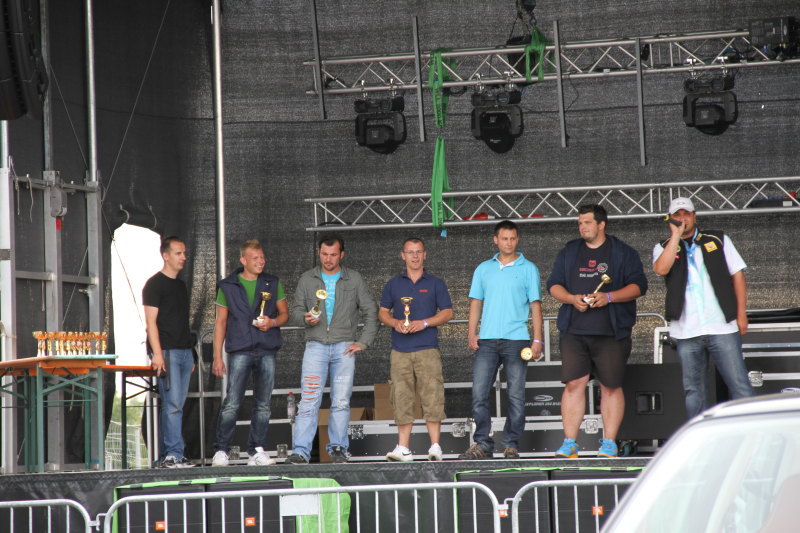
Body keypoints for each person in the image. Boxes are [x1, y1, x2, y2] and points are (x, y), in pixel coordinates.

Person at [547, 204, 648, 458]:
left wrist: (609, 297)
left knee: (611, 386)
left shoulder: (623, 252)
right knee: (574, 384)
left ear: (601, 224)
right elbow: (553, 285)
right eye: (580, 223)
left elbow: (639, 286)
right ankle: (570, 443)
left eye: (587, 223)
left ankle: (609, 443)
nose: (582, 227)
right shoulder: (569, 251)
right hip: (574, 330)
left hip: (611, 333)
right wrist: (572, 299)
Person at [653, 197, 754, 419]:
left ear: (694, 216)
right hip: (687, 330)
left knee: (739, 383)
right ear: (670, 219)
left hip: (722, 326)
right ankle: (700, 434)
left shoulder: (718, 239)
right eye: (677, 215)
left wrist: (741, 313)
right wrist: (676, 236)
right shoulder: (663, 246)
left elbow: (738, 275)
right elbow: (661, 269)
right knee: (694, 390)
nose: (682, 219)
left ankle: (754, 432)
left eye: (686, 214)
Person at [286, 234, 378, 464]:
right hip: (315, 346)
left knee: (341, 401)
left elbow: (371, 311)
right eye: (325, 254)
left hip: (344, 347)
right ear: (319, 253)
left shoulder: (354, 278)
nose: (328, 259)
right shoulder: (307, 278)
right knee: (308, 400)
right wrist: (305, 318)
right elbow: (295, 311)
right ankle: (300, 451)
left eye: (333, 255)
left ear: (342, 255)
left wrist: (363, 342)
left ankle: (338, 449)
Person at [459, 220, 544, 460]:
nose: (509, 243)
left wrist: (538, 340)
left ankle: (511, 445)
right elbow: (476, 302)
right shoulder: (483, 268)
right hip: (486, 340)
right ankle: (483, 444)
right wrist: (471, 333)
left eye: (513, 238)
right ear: (495, 240)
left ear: (517, 240)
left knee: (515, 395)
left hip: (517, 340)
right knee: (479, 393)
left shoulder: (529, 268)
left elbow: (536, 306)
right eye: (504, 238)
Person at [211, 240, 289, 466]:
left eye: (262, 257)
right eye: (255, 258)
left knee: (263, 404)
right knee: (232, 402)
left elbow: (285, 314)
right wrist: (217, 356)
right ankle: (221, 450)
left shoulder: (273, 282)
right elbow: (220, 322)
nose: (261, 261)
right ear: (243, 260)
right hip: (240, 350)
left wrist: (272, 322)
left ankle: (256, 450)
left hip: (267, 349)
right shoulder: (227, 285)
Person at [379, 237, 453, 462]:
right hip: (399, 350)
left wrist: (425, 323)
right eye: (410, 252)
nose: (414, 256)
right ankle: (403, 448)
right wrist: (395, 323)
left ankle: (435, 447)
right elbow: (382, 312)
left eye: (418, 251)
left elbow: (448, 312)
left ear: (425, 254)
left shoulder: (436, 283)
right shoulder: (393, 284)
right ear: (403, 255)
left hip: (427, 348)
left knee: (432, 395)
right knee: (401, 397)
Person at [143, 236, 195, 468]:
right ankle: (174, 453)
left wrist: (191, 353)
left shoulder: (180, 285)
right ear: (166, 255)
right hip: (167, 351)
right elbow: (151, 323)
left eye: (184, 253)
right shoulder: (154, 284)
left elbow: (182, 322)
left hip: (184, 351)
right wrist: (157, 353)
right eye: (178, 253)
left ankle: (171, 454)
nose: (183, 257)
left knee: (176, 406)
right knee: (172, 405)